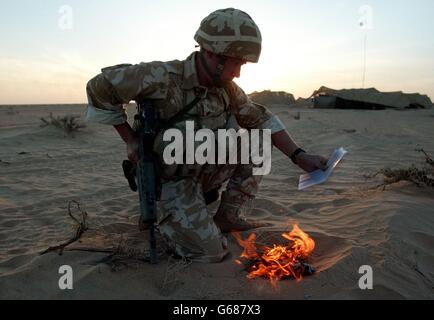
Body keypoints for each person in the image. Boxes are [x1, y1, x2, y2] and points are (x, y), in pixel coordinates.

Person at [85, 8, 327, 262]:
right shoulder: (160, 77)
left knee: (257, 144)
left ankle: (227, 217)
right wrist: (130, 139)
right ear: (211, 54)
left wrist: (299, 156)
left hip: (204, 171)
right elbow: (99, 87)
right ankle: (170, 216)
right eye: (236, 63)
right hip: (171, 181)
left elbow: (261, 118)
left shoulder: (228, 90)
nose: (238, 72)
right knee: (210, 253)